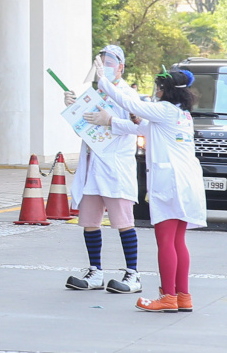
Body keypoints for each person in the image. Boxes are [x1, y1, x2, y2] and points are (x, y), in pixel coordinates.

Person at [85, 62, 207, 313]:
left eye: (158, 87)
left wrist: (103, 82)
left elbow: (131, 105)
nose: (156, 91)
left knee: (165, 241)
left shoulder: (163, 110)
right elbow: (139, 126)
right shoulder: (181, 114)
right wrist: (111, 121)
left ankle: (168, 297)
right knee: (177, 241)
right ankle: (183, 296)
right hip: (186, 183)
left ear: (166, 90)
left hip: (170, 183)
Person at [63, 45, 142, 294]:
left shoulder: (129, 95)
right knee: (89, 221)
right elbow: (83, 129)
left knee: (123, 221)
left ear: (121, 66)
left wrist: (111, 121)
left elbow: (138, 127)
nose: (106, 66)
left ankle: (133, 274)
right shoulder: (94, 94)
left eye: (111, 62)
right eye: (102, 62)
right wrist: (73, 109)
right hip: (92, 165)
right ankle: (95, 270)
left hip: (116, 166)